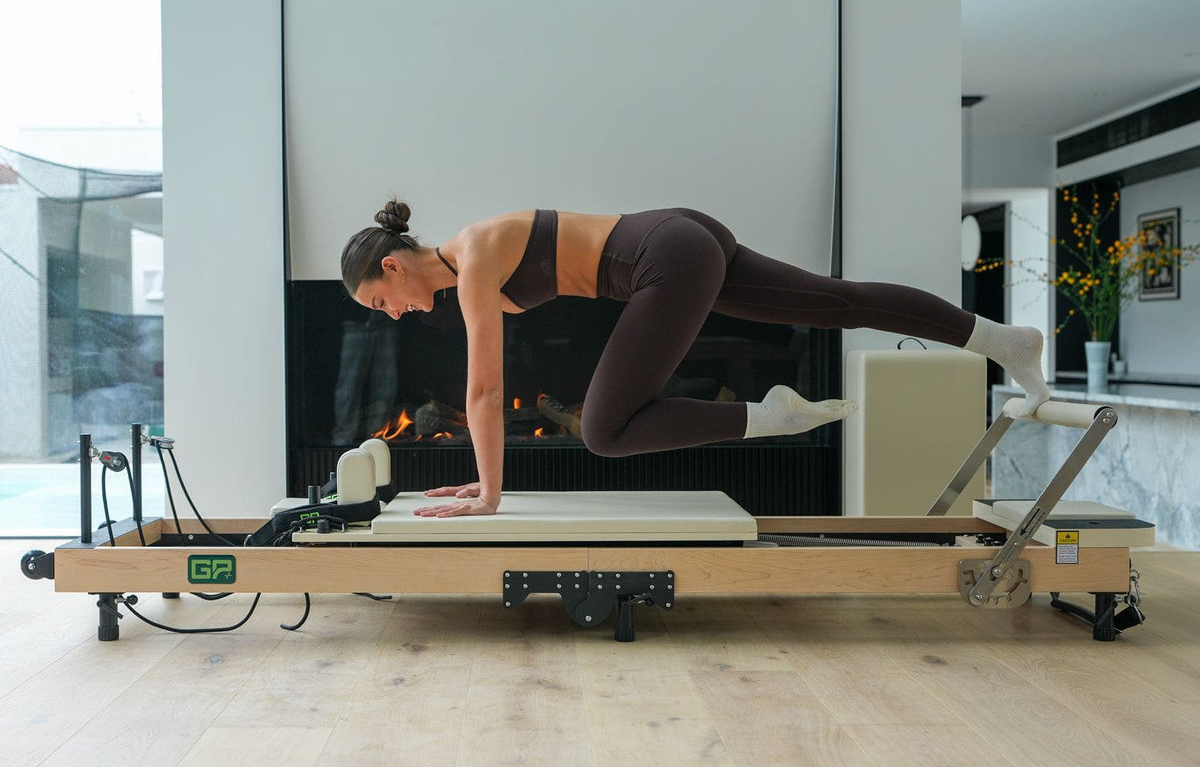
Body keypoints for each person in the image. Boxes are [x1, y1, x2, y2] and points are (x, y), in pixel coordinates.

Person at [341, 200, 1049, 518]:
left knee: (604, 429)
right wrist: (486, 481)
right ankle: (1004, 341)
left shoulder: (473, 260)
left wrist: (488, 494)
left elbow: (487, 393)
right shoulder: (474, 262)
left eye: (381, 301)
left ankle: (768, 417)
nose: (392, 315)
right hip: (679, 237)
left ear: (395, 265)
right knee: (838, 302)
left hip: (664, 257)